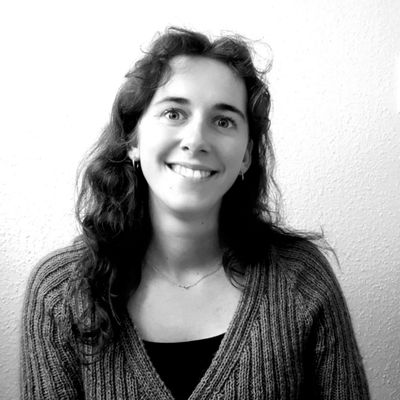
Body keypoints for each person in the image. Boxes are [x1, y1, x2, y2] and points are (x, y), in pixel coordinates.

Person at [20, 27, 370, 399]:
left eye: (223, 121)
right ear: (134, 139)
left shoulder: (301, 281)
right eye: (174, 113)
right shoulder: (60, 292)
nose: (196, 140)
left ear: (246, 155)